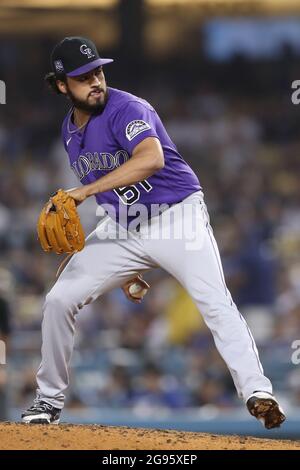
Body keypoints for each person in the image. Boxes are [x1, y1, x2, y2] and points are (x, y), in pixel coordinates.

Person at [22, 37, 285, 429]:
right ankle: (47, 401)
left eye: (97, 71)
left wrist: (83, 192)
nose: (95, 81)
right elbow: (114, 196)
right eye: (82, 77)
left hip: (176, 215)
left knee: (215, 302)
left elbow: (151, 157)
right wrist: (126, 266)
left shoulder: (127, 107)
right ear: (62, 86)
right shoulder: (69, 132)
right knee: (60, 298)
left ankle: (257, 392)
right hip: (124, 227)